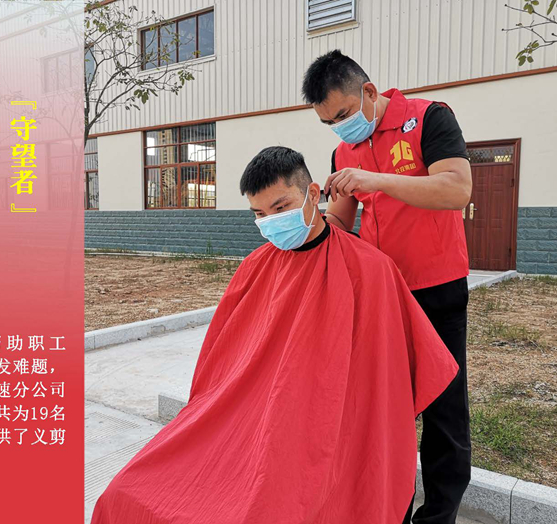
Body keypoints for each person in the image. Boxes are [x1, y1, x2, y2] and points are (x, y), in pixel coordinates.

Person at [91, 146, 460, 524]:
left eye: (281, 207)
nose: (271, 222)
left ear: (313, 195)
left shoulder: (370, 269)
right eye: (260, 215)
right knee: (124, 491)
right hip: (249, 418)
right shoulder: (255, 267)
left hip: (322, 423)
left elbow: (386, 380)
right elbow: (221, 364)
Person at [302, 50, 473, 524]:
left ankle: (437, 517)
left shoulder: (428, 119)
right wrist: (301, 220)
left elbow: (456, 189)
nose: (339, 128)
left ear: (369, 92)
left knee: (443, 411)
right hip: (381, 297)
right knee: (388, 412)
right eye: (328, 123)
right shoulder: (343, 153)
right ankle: (388, 511)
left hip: (437, 289)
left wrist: (375, 179)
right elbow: (340, 222)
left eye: (342, 114)